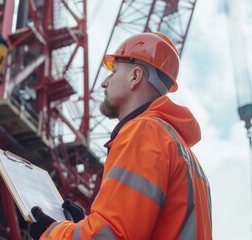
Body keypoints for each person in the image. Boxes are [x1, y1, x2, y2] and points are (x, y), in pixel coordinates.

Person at [28, 32, 212, 239]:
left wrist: (51, 232)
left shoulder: (143, 133)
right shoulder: (185, 154)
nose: (104, 83)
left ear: (135, 77)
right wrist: (83, 225)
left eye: (113, 72)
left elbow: (112, 235)